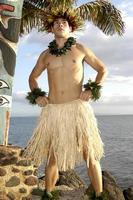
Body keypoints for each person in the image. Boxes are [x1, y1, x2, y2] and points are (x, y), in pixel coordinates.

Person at [23, 8, 108, 200]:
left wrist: (91, 89)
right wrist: (38, 95)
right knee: (52, 155)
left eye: (64, 23)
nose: (60, 25)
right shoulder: (46, 55)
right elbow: (32, 78)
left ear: (70, 28)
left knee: (89, 153)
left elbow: (102, 69)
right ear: (51, 29)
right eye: (56, 23)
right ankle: (48, 193)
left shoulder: (80, 49)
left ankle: (99, 195)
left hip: (77, 108)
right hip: (54, 111)